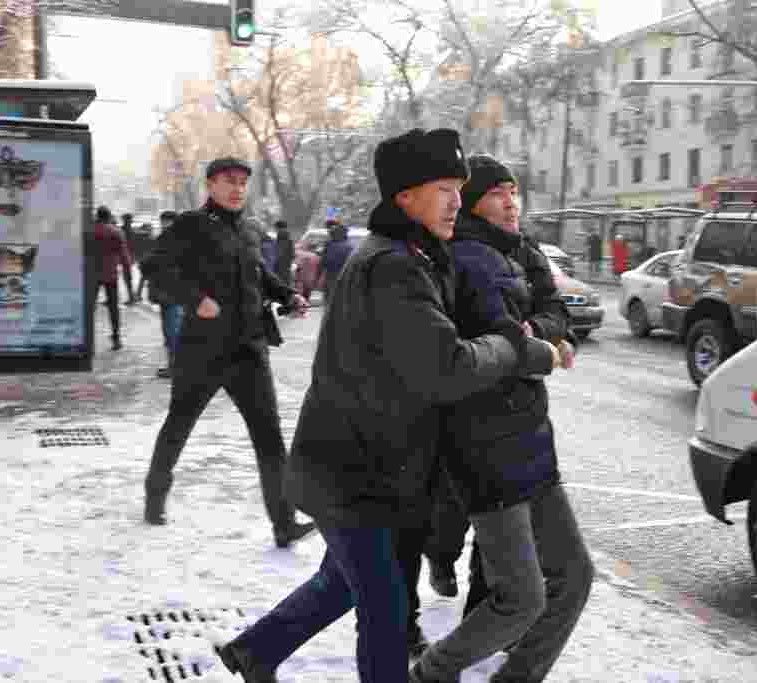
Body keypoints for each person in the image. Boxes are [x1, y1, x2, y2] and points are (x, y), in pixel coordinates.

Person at [216, 129, 561, 683]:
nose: (456, 201)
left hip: (363, 467)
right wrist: (517, 349)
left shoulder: (415, 254)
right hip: (351, 473)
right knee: (387, 607)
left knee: (342, 584)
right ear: (405, 196)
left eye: (460, 189)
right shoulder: (394, 266)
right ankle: (256, 654)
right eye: (444, 188)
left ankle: (255, 652)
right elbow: (446, 366)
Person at [409, 154, 592, 683]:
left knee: (573, 577)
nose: (511, 201)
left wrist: (544, 335)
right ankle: (431, 674)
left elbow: (555, 314)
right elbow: (502, 338)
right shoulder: (467, 257)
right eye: (498, 193)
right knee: (522, 597)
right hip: (487, 444)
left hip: (528, 437)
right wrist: (541, 342)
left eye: (514, 191)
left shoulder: (516, 251)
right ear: (472, 202)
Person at [142, 157, 315, 551]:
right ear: (211, 185)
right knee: (179, 424)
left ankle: (283, 523)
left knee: (269, 437)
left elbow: (260, 276)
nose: (237, 189)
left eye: (242, 182)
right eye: (228, 181)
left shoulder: (251, 228)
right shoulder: (191, 225)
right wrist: (194, 299)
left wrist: (287, 295)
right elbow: (153, 266)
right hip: (202, 350)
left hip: (249, 349)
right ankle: (155, 495)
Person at [140, 210, 183, 379]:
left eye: (166, 222)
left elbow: (151, 262)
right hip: (170, 291)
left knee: (173, 330)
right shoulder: (174, 239)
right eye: (163, 222)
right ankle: (175, 365)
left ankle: (176, 367)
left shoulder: (171, 240)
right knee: (170, 330)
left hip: (171, 291)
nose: (164, 225)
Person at [92, 206, 132, 351]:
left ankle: (86, 339)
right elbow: (124, 255)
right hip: (110, 274)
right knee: (113, 307)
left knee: (89, 308)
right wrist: (127, 270)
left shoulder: (89, 231)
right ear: (108, 216)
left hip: (91, 274)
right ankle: (116, 338)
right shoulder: (116, 232)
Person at [316, 219, 353, 302]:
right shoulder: (350, 246)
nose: (329, 234)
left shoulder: (330, 245)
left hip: (332, 279)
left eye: (331, 233)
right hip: (344, 280)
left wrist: (317, 277)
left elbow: (323, 263)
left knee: (330, 301)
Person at [119, 212, 140, 304]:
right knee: (128, 278)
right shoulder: (131, 231)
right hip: (129, 257)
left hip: (125, 257)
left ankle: (132, 297)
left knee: (127, 278)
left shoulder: (123, 230)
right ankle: (133, 296)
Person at [274, 220, 293, 285]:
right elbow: (292, 254)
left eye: (276, 228)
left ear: (279, 228)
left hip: (281, 265)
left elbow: (279, 252)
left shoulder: (281, 236)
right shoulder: (288, 237)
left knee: (281, 282)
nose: (276, 230)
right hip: (286, 265)